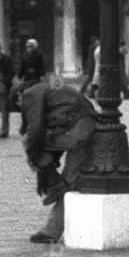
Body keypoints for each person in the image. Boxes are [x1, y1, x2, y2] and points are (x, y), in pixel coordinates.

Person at [17, 79, 98, 244]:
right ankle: (52, 229)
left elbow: (36, 130)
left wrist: (43, 170)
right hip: (87, 126)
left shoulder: (30, 93)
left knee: (28, 140)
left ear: (19, 95)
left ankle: (55, 184)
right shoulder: (51, 86)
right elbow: (60, 121)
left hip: (78, 129)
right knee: (70, 178)